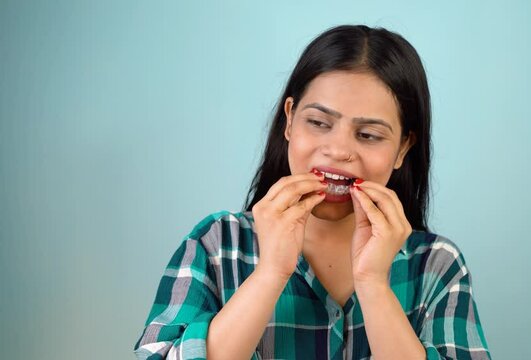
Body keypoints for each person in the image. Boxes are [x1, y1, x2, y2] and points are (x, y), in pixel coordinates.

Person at [133, 24, 491, 360]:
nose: (338, 150)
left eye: (368, 135)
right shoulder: (216, 244)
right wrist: (271, 272)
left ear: (402, 148)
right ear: (289, 119)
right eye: (319, 123)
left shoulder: (437, 264)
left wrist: (373, 284)